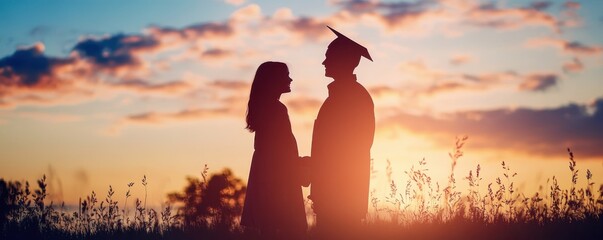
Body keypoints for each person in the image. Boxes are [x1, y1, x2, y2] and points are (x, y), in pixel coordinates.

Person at [310, 26, 375, 238]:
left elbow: (349, 148)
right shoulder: (341, 96)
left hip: (340, 195)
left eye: (328, 56)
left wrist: (325, 182)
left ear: (342, 61)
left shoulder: (352, 97)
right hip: (335, 193)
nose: (324, 62)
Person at [241, 61, 307, 238]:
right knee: (285, 227)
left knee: (270, 228)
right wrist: (299, 166)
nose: (290, 79)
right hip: (278, 179)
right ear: (273, 80)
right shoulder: (276, 109)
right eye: (286, 75)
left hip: (267, 175)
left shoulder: (266, 108)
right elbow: (282, 150)